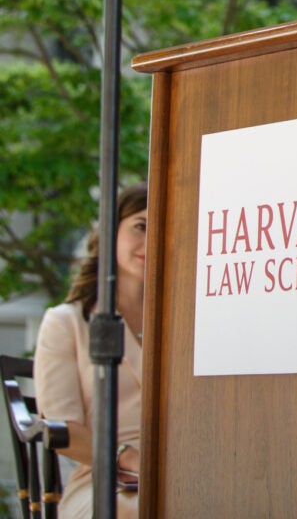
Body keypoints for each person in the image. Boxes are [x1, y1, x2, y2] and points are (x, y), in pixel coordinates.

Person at [35, 185, 147, 519]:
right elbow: (62, 430)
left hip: (186, 474)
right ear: (109, 232)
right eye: (141, 225)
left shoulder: (186, 327)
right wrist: (124, 457)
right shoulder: (65, 323)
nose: (153, 238)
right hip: (105, 482)